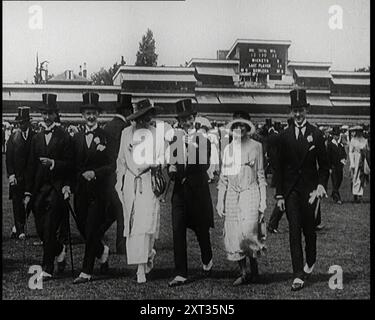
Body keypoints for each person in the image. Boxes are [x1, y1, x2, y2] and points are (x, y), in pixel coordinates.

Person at [273, 89, 329, 291]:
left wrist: (322, 184)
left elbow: (324, 165)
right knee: (294, 230)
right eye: (295, 110)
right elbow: (278, 168)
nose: (298, 114)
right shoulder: (283, 136)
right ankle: (297, 274)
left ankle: (311, 260)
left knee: (309, 231)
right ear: (291, 111)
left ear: (307, 110)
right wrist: (279, 194)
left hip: (310, 191)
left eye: (301, 110)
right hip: (290, 192)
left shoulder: (316, 134)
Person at [24, 93, 73, 280]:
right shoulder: (36, 138)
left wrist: (53, 162)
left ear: (55, 115)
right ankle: (59, 249)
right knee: (41, 229)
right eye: (44, 113)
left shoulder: (64, 137)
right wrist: (28, 192)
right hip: (39, 189)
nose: (46, 117)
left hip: (56, 187)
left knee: (50, 226)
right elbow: (30, 166)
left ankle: (47, 267)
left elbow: (70, 164)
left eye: (50, 113)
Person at [115, 99, 163, 284]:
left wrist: (155, 163)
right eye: (140, 118)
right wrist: (119, 183)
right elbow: (120, 160)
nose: (143, 121)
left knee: (146, 223)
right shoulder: (126, 133)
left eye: (146, 117)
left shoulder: (155, 134)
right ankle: (140, 265)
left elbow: (162, 158)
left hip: (147, 181)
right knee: (133, 226)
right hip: (130, 183)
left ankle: (144, 261)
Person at [168, 99, 214, 287]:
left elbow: (204, 165)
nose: (186, 122)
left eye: (189, 118)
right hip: (180, 191)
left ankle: (207, 257)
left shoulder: (203, 139)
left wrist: (191, 147)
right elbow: (172, 162)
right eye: (182, 119)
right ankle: (181, 273)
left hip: (198, 190)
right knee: (178, 231)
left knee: (201, 230)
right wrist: (172, 170)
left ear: (194, 118)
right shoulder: (175, 139)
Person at [217, 115, 267, 286]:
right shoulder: (227, 149)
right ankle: (244, 272)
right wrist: (219, 200)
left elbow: (260, 175)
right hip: (232, 194)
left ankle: (254, 268)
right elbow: (223, 178)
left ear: (248, 127)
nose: (240, 129)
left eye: (243, 126)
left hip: (250, 192)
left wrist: (263, 201)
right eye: (236, 126)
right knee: (235, 234)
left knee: (248, 232)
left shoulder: (257, 147)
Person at [69, 92, 112, 284]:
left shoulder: (105, 137)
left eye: (93, 113)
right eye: (87, 113)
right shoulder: (76, 138)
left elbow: (112, 165)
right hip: (80, 191)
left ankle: (86, 271)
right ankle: (101, 250)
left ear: (98, 114)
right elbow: (72, 165)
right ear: (82, 115)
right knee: (83, 228)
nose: (91, 117)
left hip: (98, 191)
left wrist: (95, 173)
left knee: (93, 228)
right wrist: (70, 184)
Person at [101, 93, 133, 254]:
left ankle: (96, 233)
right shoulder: (125, 128)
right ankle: (122, 244)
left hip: (108, 174)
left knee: (113, 210)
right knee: (122, 209)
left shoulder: (108, 126)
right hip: (120, 173)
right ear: (127, 110)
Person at [6, 107, 35, 239]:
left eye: (23, 122)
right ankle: (19, 228)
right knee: (17, 203)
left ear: (28, 122)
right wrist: (11, 175)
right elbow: (9, 158)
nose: (21, 125)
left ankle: (18, 225)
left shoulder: (35, 137)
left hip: (30, 177)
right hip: (17, 177)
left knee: (30, 202)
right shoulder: (13, 138)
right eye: (19, 123)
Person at [327, 126, 347, 204]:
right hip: (333, 166)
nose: (337, 136)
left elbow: (344, 154)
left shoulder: (340, 145)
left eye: (338, 135)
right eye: (335, 135)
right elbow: (328, 157)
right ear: (333, 135)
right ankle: (338, 198)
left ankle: (333, 193)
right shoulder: (330, 144)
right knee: (335, 182)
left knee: (339, 180)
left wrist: (344, 159)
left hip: (340, 166)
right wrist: (329, 167)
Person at [349, 125, 369, 203]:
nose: (359, 133)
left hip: (363, 160)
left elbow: (367, 150)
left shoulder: (365, 140)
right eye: (358, 131)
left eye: (360, 131)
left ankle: (360, 195)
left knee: (362, 177)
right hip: (355, 159)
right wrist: (352, 163)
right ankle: (355, 195)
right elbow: (350, 152)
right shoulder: (353, 140)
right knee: (355, 177)